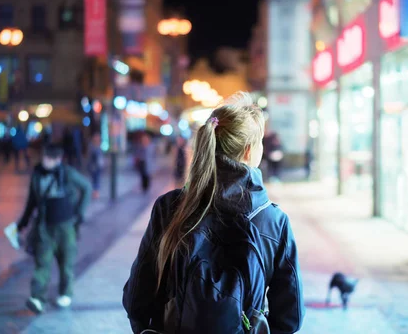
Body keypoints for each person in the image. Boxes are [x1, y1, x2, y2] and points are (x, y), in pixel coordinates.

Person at [122, 92, 304, 334]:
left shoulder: (169, 207)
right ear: (249, 151)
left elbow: (136, 297)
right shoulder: (273, 221)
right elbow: (291, 315)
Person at [12, 144, 92, 314]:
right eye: (45, 157)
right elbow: (31, 202)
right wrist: (21, 224)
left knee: (66, 262)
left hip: (65, 227)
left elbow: (86, 188)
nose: (46, 161)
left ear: (58, 159)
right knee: (42, 263)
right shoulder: (37, 174)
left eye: (50, 158)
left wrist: (79, 214)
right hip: (44, 228)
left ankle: (65, 293)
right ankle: (37, 298)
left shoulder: (67, 173)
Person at [87, 132, 104, 199]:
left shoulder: (96, 147)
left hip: (96, 167)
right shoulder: (93, 147)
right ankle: (95, 192)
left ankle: (95, 192)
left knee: (96, 179)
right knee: (95, 179)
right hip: (94, 167)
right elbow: (93, 158)